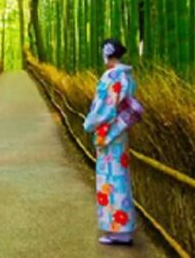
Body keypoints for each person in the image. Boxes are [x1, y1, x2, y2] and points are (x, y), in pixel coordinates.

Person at [83, 38, 137, 246]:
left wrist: (89, 122)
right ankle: (122, 228)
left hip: (109, 132)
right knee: (120, 176)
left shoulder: (112, 76)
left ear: (106, 54)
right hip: (120, 132)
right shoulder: (127, 76)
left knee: (110, 180)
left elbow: (104, 107)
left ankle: (118, 230)